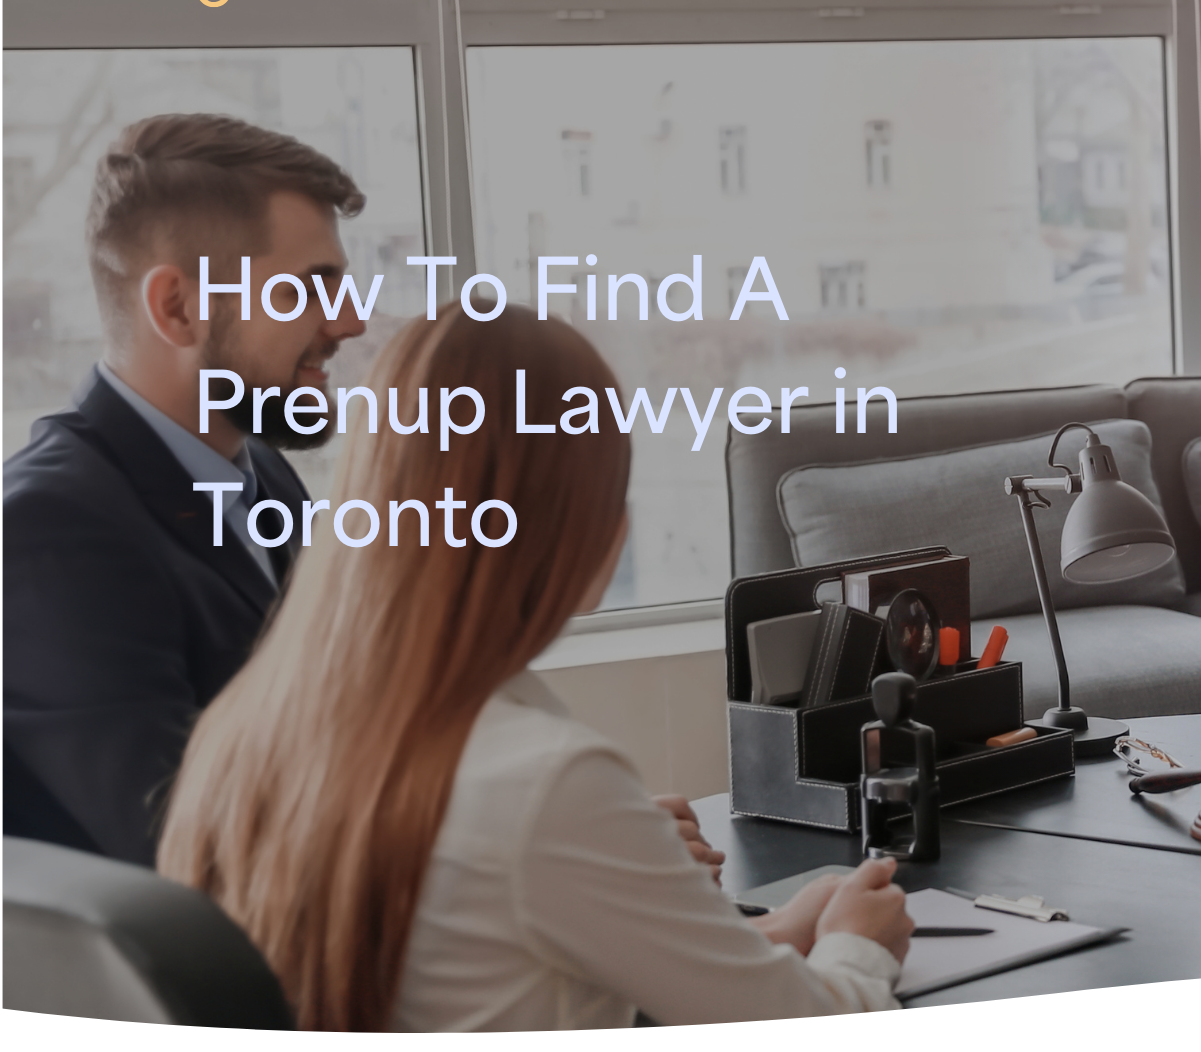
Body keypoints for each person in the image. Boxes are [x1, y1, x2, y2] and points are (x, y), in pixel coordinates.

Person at [157, 306, 913, 1030]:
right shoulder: (545, 783)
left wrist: (720, 912)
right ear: (581, 527)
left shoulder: (241, 729)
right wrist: (858, 943)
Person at [4, 114, 371, 863]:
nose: (350, 320)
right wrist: (503, 866)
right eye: (312, 287)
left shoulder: (260, 470)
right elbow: (194, 848)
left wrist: (565, 841)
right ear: (176, 307)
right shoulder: (48, 532)